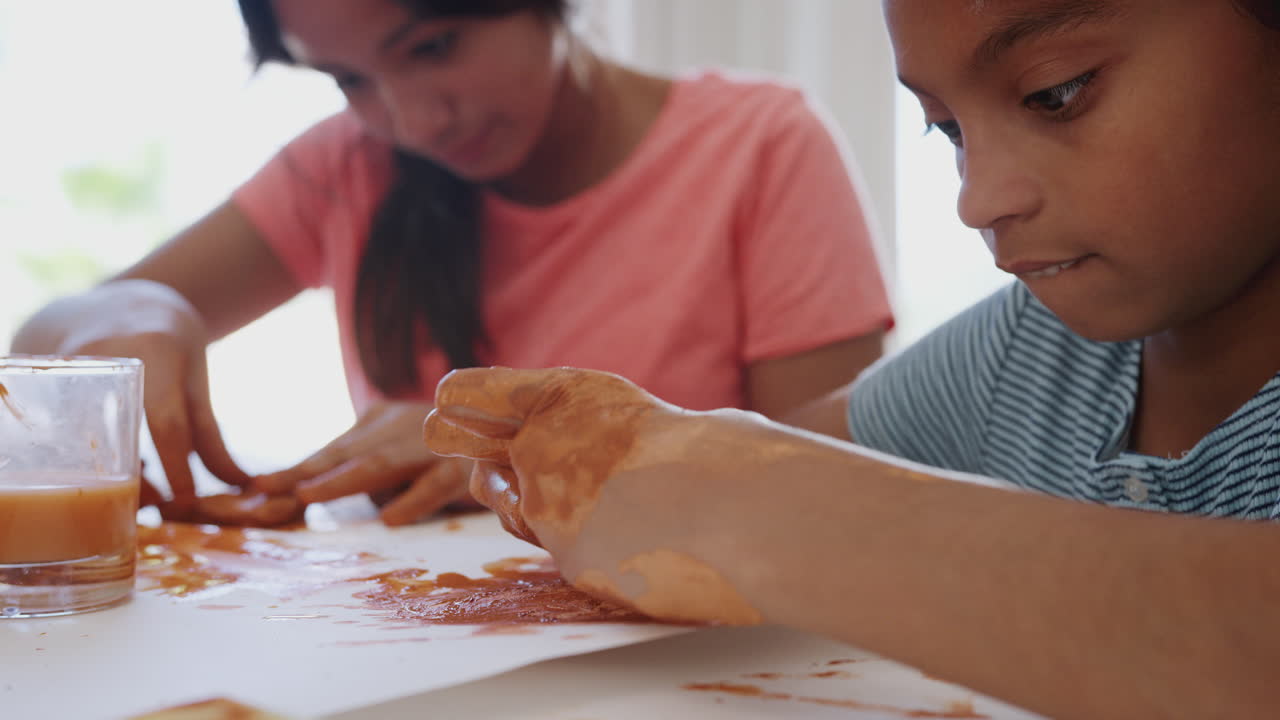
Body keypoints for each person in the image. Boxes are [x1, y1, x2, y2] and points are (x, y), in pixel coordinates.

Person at [422, 1, 1280, 717]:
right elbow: (784, 450)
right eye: (947, 128)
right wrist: (532, 445)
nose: (979, 199)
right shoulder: (1023, 347)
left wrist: (748, 509)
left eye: (1055, 94)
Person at [8, 0, 892, 525]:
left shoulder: (761, 146)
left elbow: (834, 485)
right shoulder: (349, 162)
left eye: (431, 49)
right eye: (348, 80)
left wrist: (519, 456)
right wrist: (137, 311)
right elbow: (47, 331)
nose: (412, 120)